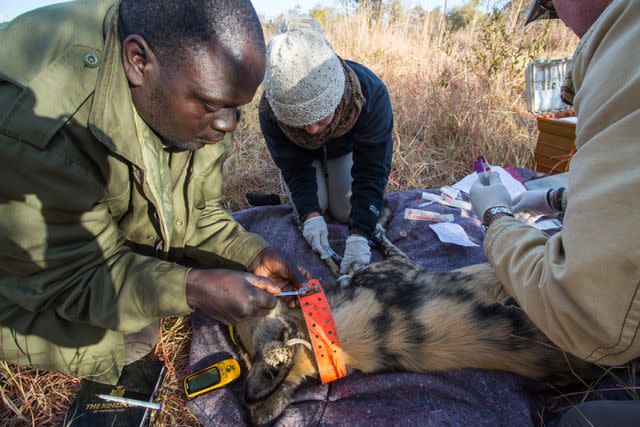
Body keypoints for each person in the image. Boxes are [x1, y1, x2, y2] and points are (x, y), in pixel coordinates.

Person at [0, 0, 303, 384]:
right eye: (213, 106)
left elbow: (197, 211)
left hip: (70, 226)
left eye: (238, 108)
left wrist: (251, 253)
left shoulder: (198, 83)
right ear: (138, 60)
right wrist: (190, 289)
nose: (229, 125)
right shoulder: (38, 126)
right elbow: (77, 278)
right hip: (24, 257)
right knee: (126, 338)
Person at [470, 0, 640, 425]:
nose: (563, 24)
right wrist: (555, 200)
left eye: (552, 7)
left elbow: (585, 312)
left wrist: (494, 218)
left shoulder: (625, 54)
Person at [258, 15, 394, 275]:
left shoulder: (371, 94)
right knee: (316, 204)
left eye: (320, 118)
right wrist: (309, 215)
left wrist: (360, 234)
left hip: (345, 151)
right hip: (303, 158)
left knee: (345, 211)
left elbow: (373, 170)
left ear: (337, 96)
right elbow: (293, 167)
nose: (310, 130)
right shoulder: (269, 110)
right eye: (297, 123)